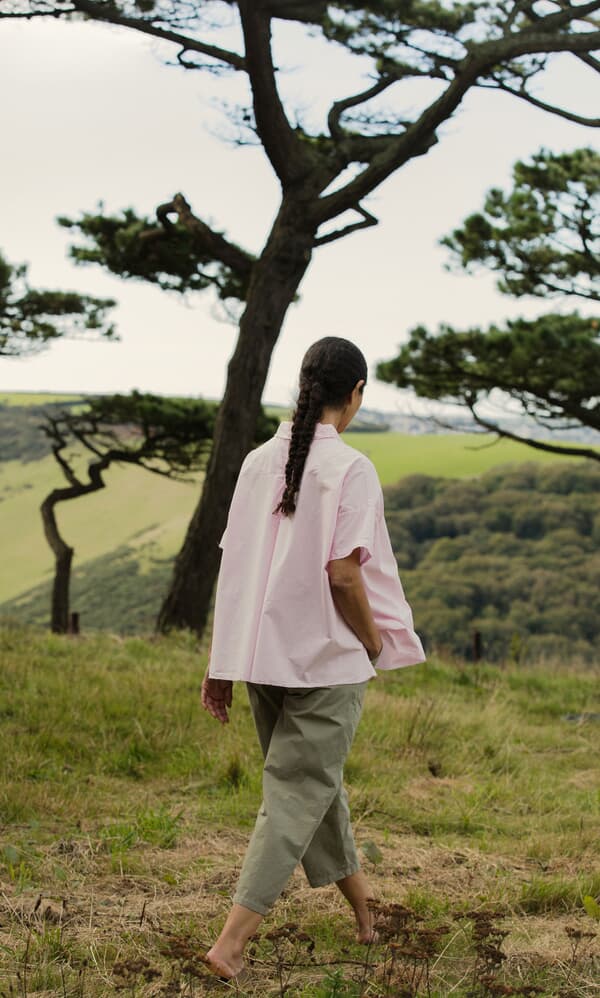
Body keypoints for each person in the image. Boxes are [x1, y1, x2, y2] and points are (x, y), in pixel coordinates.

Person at [201, 336, 425, 980]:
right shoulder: (352, 468)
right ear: (355, 394)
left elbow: (235, 571)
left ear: (304, 387)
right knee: (297, 792)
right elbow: (344, 575)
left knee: (312, 788)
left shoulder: (254, 462)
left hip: (262, 660)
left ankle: (365, 912)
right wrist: (374, 642)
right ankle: (230, 944)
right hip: (326, 662)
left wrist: (220, 663)